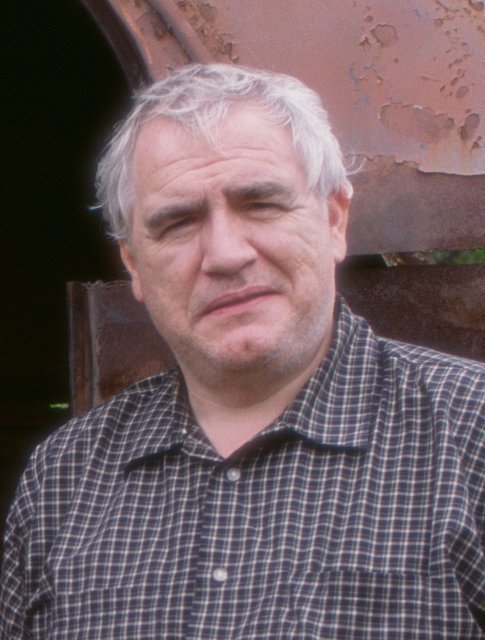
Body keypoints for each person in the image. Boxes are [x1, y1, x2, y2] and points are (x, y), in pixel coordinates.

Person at [1, 64, 484, 639]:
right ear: (134, 265)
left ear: (333, 219)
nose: (226, 254)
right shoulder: (63, 479)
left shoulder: (471, 436)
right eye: (177, 222)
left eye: (260, 203)